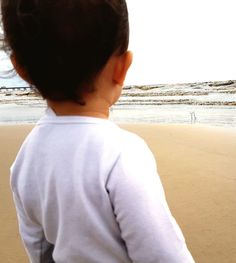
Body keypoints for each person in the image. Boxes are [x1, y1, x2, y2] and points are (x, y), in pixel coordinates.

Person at [1, 0, 195, 262]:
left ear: (21, 69)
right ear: (122, 67)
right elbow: (162, 254)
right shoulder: (122, 154)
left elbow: (38, 250)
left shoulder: (24, 161)